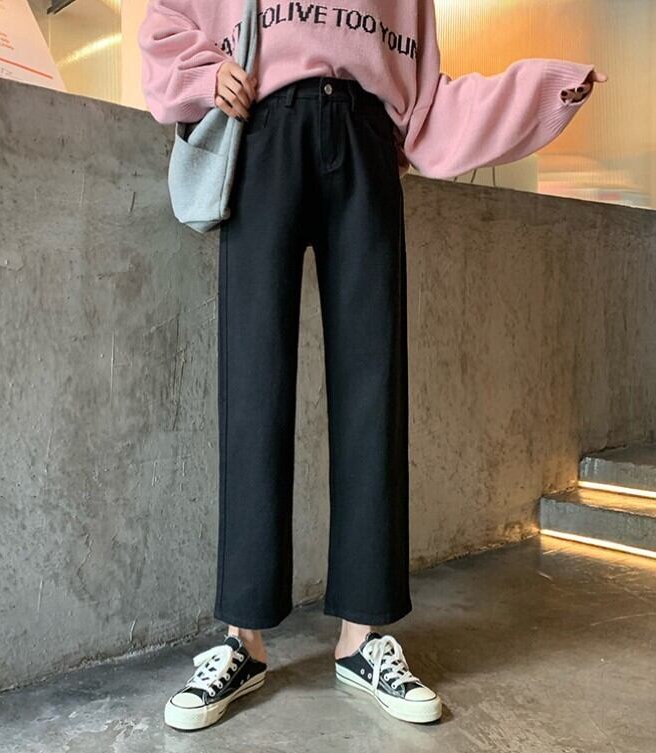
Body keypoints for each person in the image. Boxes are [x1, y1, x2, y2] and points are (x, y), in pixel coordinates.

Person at [138, 0, 606, 732]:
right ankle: (242, 638)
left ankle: (362, 637)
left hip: (365, 139)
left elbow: (427, 103)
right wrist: (204, 77)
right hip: (262, 131)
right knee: (252, 389)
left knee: (372, 389)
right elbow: (168, 23)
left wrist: (541, 91)